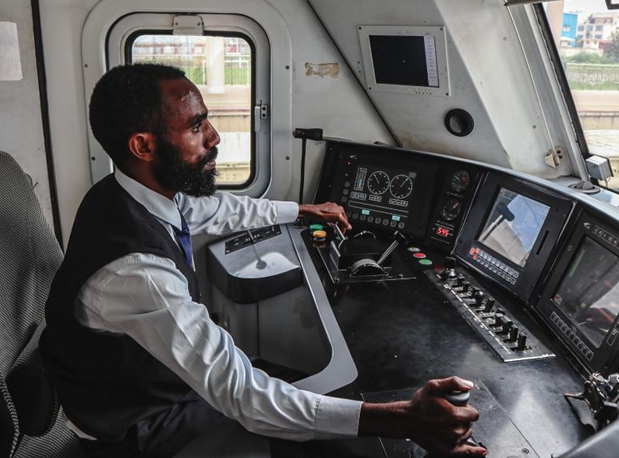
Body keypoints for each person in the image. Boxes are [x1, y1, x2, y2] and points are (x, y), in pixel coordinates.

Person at [40, 64, 487, 458]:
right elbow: (242, 395)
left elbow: (217, 210)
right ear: (143, 145)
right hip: (136, 424)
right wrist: (404, 419)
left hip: (151, 385)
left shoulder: (128, 193)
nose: (215, 137)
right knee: (335, 431)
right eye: (197, 127)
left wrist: (303, 211)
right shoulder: (136, 271)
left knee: (301, 387)